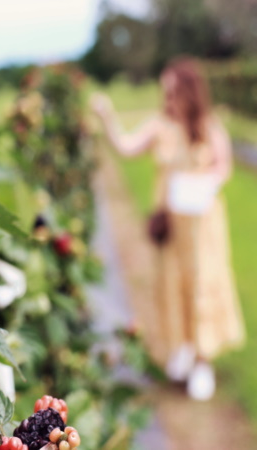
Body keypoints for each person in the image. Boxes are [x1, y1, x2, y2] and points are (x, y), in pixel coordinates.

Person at [91, 57, 244, 401]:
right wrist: (107, 117)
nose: (170, 99)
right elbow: (126, 147)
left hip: (202, 228)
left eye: (175, 92)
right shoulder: (159, 126)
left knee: (202, 284)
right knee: (173, 285)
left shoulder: (209, 126)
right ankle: (183, 349)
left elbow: (224, 167)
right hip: (172, 229)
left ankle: (202, 358)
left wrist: (203, 184)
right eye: (167, 92)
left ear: (191, 92)